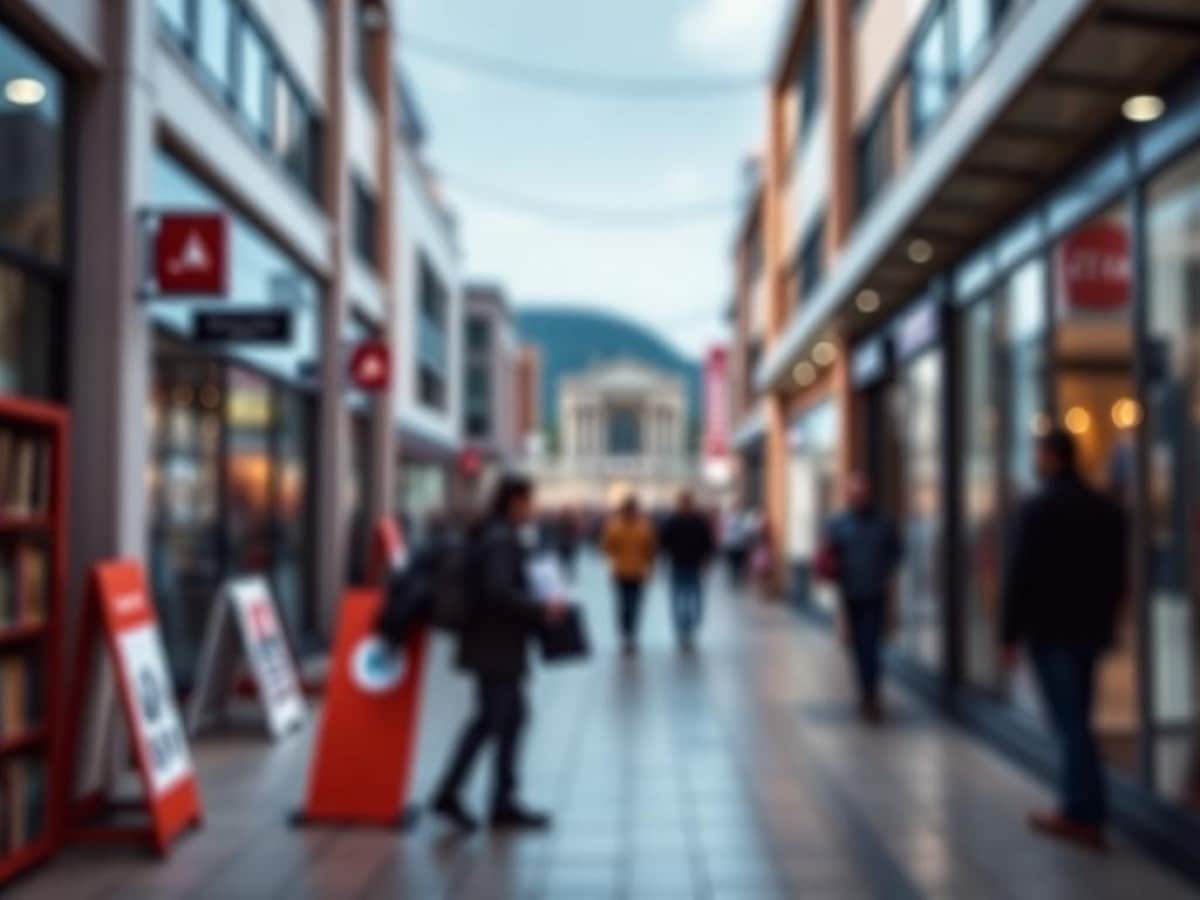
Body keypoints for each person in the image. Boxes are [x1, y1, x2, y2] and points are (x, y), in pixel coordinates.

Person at [1003, 429, 1127, 853]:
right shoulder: (1104, 509)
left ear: (1052, 457)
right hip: (1088, 631)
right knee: (1078, 719)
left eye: (1038, 454)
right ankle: (1085, 808)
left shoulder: (1039, 509)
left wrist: (1009, 635)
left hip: (1052, 633)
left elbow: (1021, 575)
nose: (1035, 461)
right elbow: (1117, 574)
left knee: (1070, 723)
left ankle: (1082, 813)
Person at [432, 474, 567, 832]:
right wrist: (541, 608)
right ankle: (451, 793)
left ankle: (501, 800)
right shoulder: (502, 540)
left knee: (511, 718)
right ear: (515, 503)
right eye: (530, 502)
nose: (533, 509)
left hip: (493, 645)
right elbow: (498, 592)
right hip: (495, 646)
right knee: (491, 720)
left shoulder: (493, 534)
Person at [821, 473, 901, 723]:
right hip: (850, 594)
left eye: (861, 493)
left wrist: (885, 576)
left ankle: (871, 693)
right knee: (858, 646)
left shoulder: (883, 523)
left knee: (871, 644)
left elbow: (896, 553)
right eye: (853, 493)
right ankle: (866, 690)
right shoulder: (839, 524)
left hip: (875, 594)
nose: (858, 497)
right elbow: (829, 555)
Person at [601, 495, 657, 655]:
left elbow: (650, 548)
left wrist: (650, 565)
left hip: (636, 571)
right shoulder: (617, 527)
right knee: (625, 604)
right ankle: (627, 634)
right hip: (622, 571)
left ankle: (630, 634)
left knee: (633, 604)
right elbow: (607, 546)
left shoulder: (642, 527)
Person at [660, 491, 716, 649]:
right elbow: (664, 543)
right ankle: (682, 630)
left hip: (693, 565)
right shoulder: (673, 521)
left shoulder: (698, 521)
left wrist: (706, 561)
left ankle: (689, 628)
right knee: (679, 599)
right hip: (678, 565)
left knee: (693, 599)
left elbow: (707, 544)